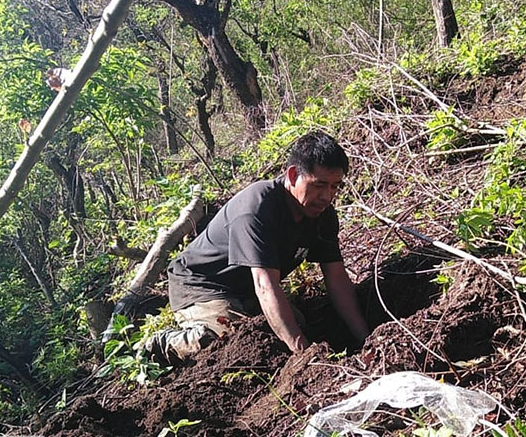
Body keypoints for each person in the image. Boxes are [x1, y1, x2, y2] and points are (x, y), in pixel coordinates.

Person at [143, 132, 369, 364]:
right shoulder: (257, 209)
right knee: (228, 339)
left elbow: (337, 279)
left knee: (298, 326)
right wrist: (306, 357)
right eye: (319, 185)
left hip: (246, 289)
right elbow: (265, 285)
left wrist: (365, 338)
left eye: (334, 187)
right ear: (293, 175)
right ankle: (163, 343)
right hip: (201, 284)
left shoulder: (322, 215)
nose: (327, 196)